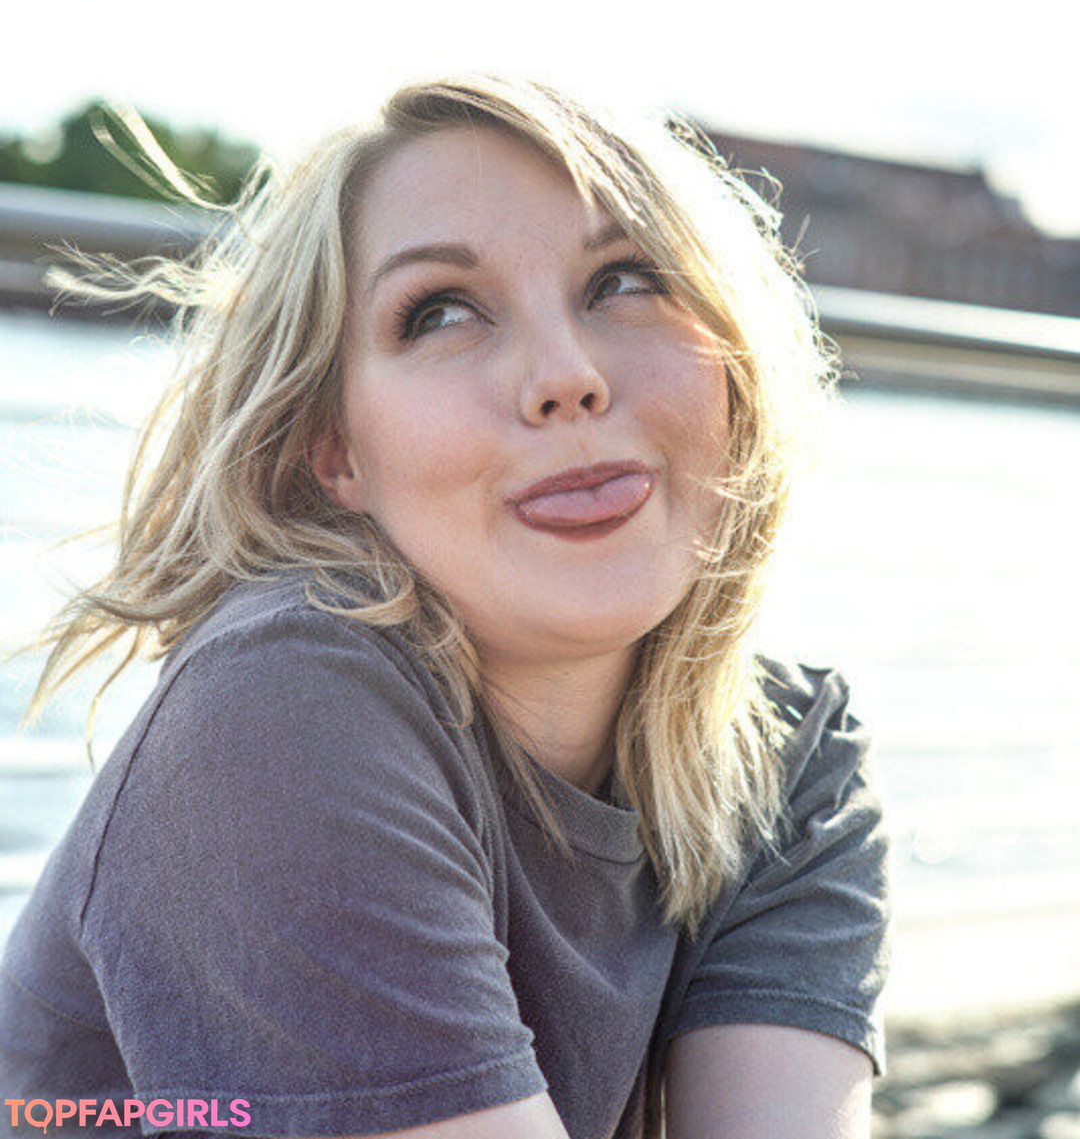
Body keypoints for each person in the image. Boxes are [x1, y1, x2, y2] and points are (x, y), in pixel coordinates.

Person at [0, 75, 891, 1139]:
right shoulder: (276, 711)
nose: (566, 377)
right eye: (441, 312)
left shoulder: (789, 755)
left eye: (624, 281)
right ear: (336, 449)